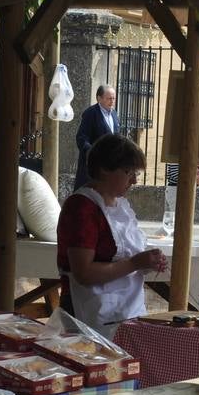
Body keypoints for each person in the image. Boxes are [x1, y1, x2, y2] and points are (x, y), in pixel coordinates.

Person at [56, 133, 167, 338]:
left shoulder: (120, 205)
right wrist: (135, 263)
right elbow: (84, 273)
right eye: (128, 172)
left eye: (136, 173)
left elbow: (127, 258)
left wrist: (148, 262)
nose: (133, 180)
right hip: (90, 315)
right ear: (104, 169)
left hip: (127, 311)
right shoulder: (82, 207)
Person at [74, 84, 119, 190]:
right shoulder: (90, 113)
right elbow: (81, 138)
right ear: (99, 98)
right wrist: (94, 153)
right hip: (93, 168)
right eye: (109, 98)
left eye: (113, 98)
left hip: (109, 167)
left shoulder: (114, 115)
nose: (112, 101)